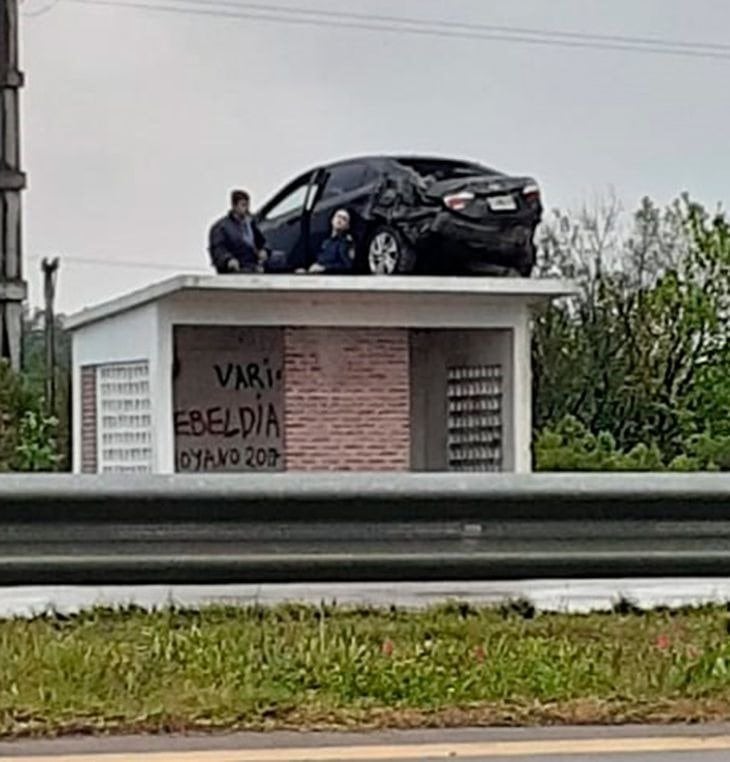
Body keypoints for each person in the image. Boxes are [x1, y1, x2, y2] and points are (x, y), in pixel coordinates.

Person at [208, 190, 268, 274]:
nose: (246, 208)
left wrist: (264, 250)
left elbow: (261, 241)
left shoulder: (250, 223)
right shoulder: (222, 227)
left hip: (254, 265)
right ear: (234, 206)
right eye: (243, 205)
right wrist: (228, 260)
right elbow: (218, 249)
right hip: (237, 268)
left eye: (247, 205)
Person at [305, 209, 356, 274]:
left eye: (344, 219)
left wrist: (324, 268)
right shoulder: (323, 239)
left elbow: (346, 265)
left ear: (347, 226)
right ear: (332, 220)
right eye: (338, 216)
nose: (339, 220)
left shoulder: (345, 242)